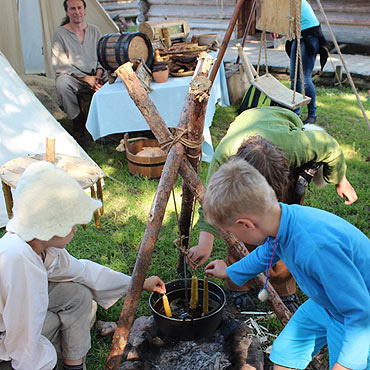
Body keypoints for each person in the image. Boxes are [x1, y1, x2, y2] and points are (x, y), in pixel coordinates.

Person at [203, 158, 370, 370]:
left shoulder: (316, 249)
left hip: (355, 316)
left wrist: (345, 365)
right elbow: (265, 254)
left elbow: (360, 313)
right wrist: (229, 271)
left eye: (232, 231)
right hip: (327, 303)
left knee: (347, 363)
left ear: (246, 225)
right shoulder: (282, 221)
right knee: (286, 352)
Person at [187, 106, 358, 312]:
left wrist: (339, 180)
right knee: (257, 229)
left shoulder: (297, 147)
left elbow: (329, 146)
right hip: (248, 127)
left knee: (278, 229)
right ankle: (239, 287)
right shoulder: (224, 158)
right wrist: (206, 243)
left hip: (282, 133)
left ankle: (282, 288)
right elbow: (210, 202)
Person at [0, 161, 166, 370]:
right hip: (7, 337)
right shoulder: (17, 259)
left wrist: (138, 282)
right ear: (49, 225)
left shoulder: (43, 248)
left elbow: (84, 271)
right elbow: (21, 332)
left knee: (77, 295)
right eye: (70, 223)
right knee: (49, 322)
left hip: (19, 320)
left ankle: (74, 365)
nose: (76, 229)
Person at [51, 0, 106, 140]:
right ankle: (77, 122)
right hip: (76, 78)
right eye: (72, 8)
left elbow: (102, 55)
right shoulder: (60, 34)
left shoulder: (94, 30)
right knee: (62, 83)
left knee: (116, 77)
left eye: (79, 8)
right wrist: (85, 78)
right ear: (67, 12)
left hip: (97, 75)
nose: (77, 12)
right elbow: (61, 64)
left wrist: (99, 73)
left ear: (85, 10)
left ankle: (111, 121)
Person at [286, 0, 328, 124]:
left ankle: (312, 114)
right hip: (298, 35)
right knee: (294, 78)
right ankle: (295, 112)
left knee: (304, 78)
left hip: (309, 36)